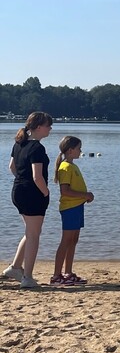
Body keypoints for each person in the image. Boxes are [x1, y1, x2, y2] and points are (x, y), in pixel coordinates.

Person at [2, 112, 53, 289]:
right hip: (32, 194)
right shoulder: (37, 148)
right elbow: (37, 177)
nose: (50, 129)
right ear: (38, 127)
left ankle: (15, 268)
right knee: (33, 235)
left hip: (18, 191)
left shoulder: (19, 144)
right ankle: (27, 277)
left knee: (31, 232)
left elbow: (12, 167)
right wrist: (46, 192)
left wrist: (22, 180)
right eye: (48, 125)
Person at [50, 136, 95, 286]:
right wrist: (85, 195)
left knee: (73, 240)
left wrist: (84, 197)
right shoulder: (65, 167)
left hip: (77, 207)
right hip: (69, 208)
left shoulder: (72, 166)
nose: (80, 151)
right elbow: (65, 191)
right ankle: (56, 275)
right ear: (70, 150)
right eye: (78, 148)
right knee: (66, 240)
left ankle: (68, 273)